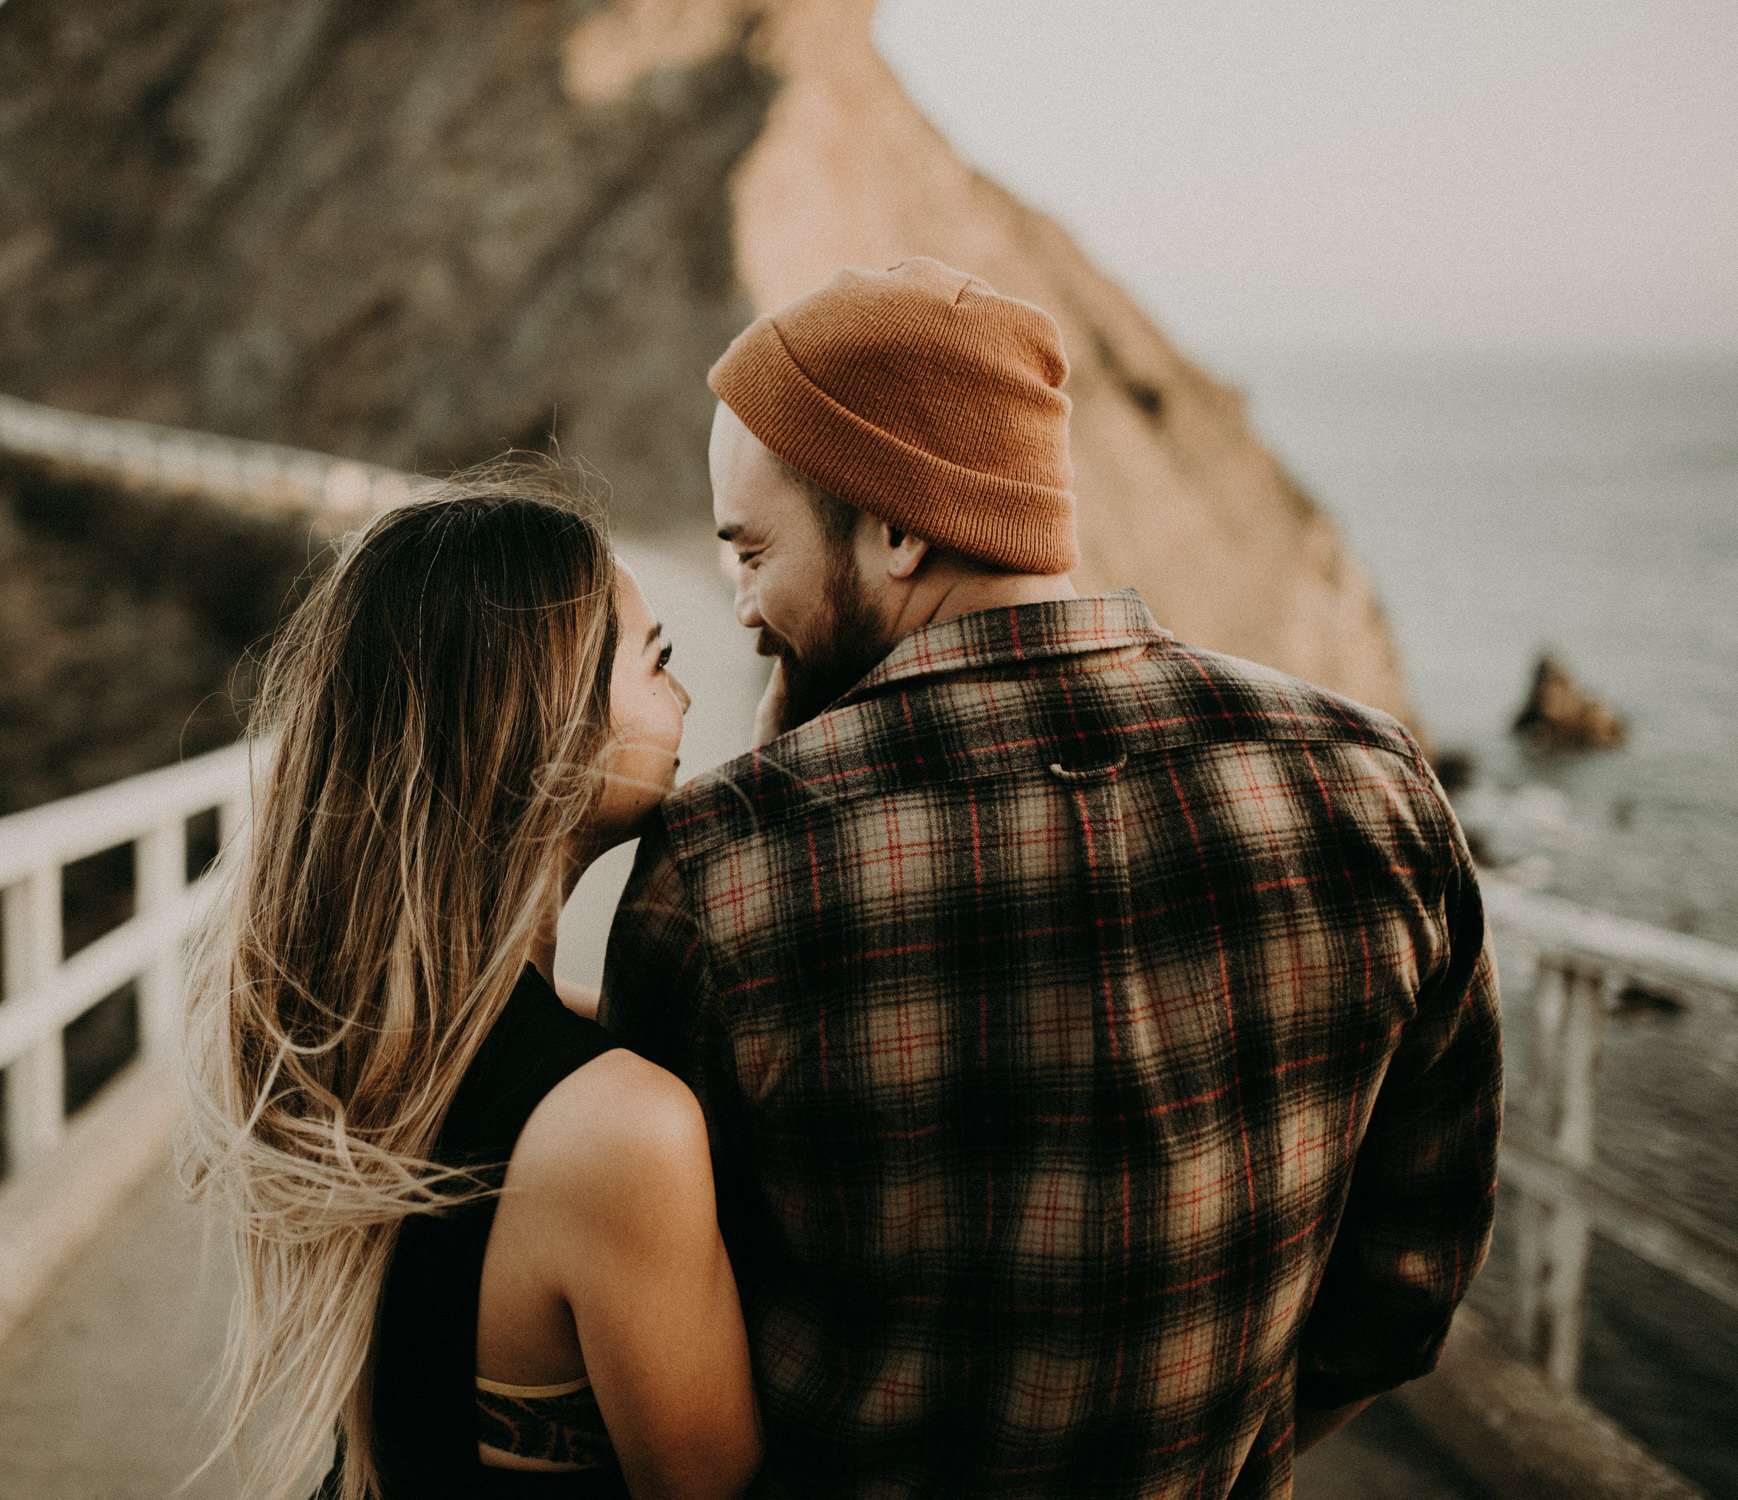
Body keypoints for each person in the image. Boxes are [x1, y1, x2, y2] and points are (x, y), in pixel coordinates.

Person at [602, 259, 1503, 1499]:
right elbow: (1409, 1284)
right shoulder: (1374, 784)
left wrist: (776, 787)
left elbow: (660, 1326)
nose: (743, 608)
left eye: (752, 551)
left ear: (900, 525)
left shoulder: (726, 863)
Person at [180, 474, 759, 1500]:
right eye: (657, 660)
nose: (685, 696)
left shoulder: (358, 1035)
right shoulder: (618, 1132)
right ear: (545, 726)